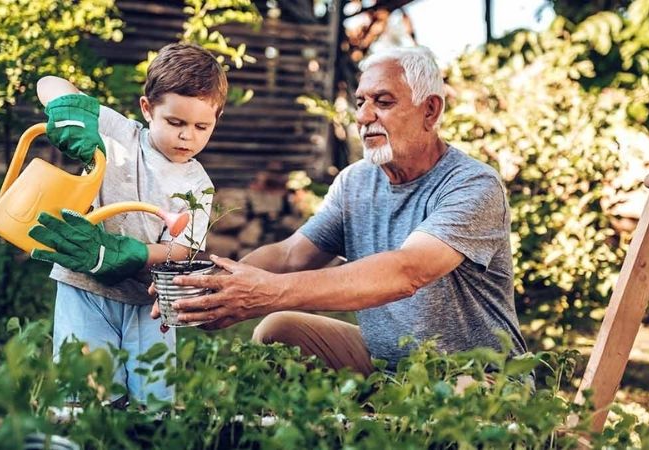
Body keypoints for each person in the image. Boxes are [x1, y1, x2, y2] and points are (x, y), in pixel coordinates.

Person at [155, 46, 528, 375]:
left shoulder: (472, 184)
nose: (364, 117)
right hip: (388, 364)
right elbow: (291, 255)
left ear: (430, 111)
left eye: (383, 102)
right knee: (278, 331)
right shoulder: (356, 182)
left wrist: (269, 291)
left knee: (462, 393)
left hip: (477, 373)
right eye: (361, 101)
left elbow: (407, 272)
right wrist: (209, 289)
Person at [27, 43, 225, 403]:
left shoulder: (198, 184)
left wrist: (131, 253)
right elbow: (50, 83)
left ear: (216, 119)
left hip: (147, 302)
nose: (187, 136)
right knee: (86, 391)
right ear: (147, 109)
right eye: (175, 122)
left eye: (201, 126)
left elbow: (183, 246)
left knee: (154, 397)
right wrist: (69, 112)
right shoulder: (121, 133)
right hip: (84, 286)